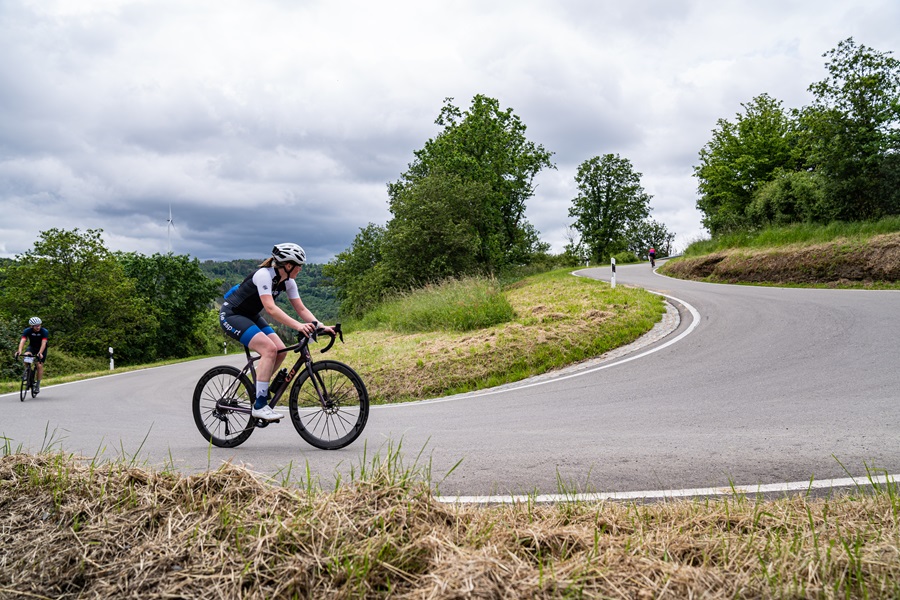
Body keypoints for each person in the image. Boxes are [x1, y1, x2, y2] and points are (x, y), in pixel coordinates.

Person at [219, 243, 334, 421]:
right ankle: (260, 404)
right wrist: (299, 326)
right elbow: (271, 309)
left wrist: (321, 326)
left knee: (279, 350)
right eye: (299, 265)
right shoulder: (264, 275)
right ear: (288, 266)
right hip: (232, 314)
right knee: (269, 349)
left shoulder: (289, 282)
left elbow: (301, 309)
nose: (301, 269)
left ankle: (258, 391)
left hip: (250, 315)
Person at [15, 316, 49, 394]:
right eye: (36, 326)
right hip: (32, 347)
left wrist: (40, 353)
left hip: (41, 349)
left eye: (39, 325)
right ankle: (28, 372)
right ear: (31, 326)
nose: (38, 327)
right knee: (26, 356)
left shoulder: (44, 331)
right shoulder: (27, 331)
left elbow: (44, 343)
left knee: (39, 365)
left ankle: (37, 384)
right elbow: (23, 341)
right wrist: (19, 351)